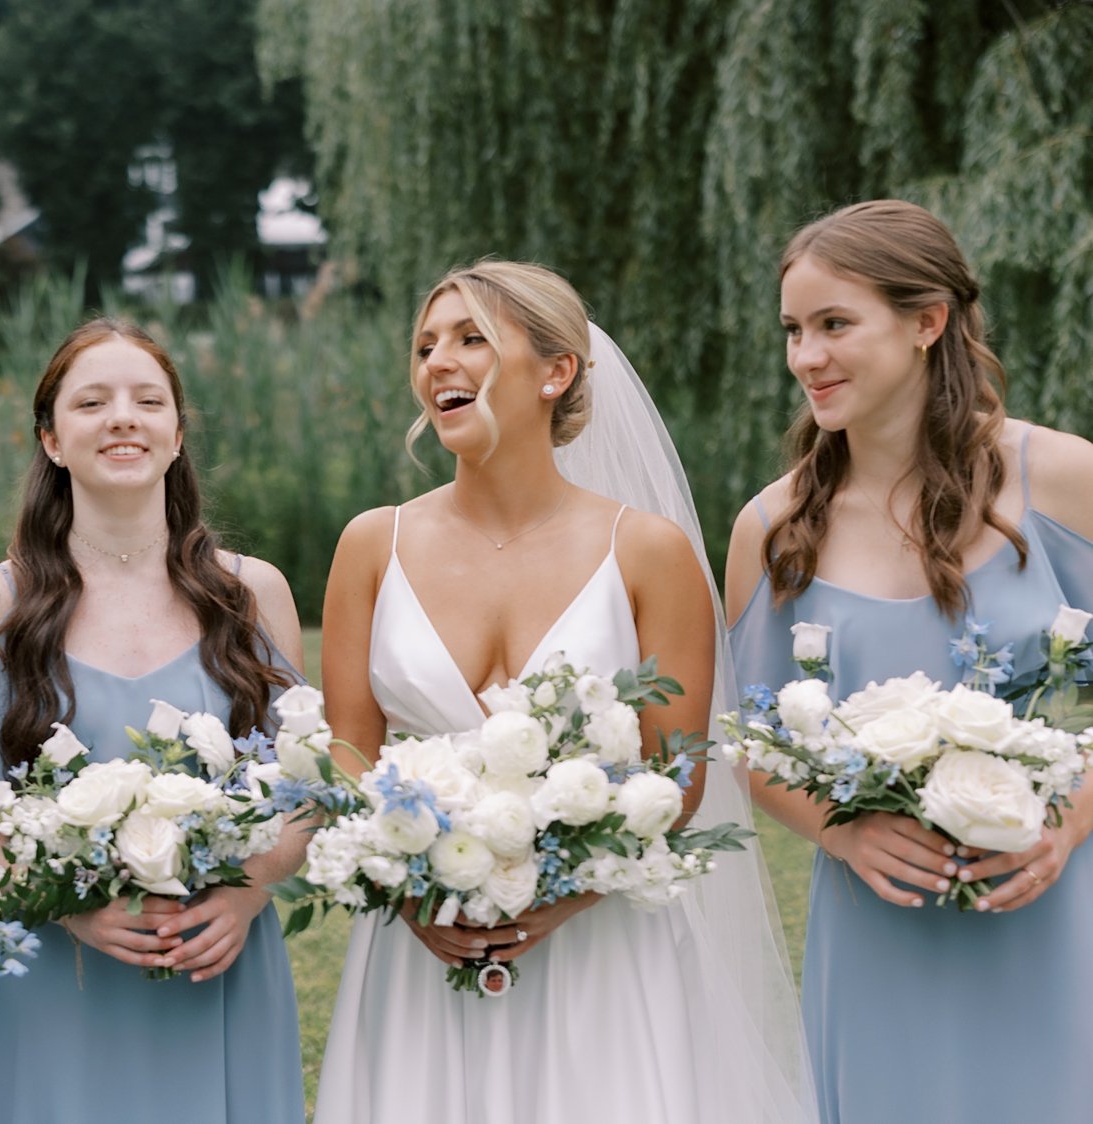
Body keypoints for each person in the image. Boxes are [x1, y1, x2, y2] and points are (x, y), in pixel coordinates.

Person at [315, 261, 814, 1123]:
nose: (439, 361)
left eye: (472, 339)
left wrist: (559, 896)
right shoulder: (372, 544)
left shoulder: (647, 551)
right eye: (426, 345)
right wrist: (412, 890)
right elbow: (349, 751)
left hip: (599, 944)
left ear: (557, 373)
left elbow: (677, 775)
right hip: (420, 945)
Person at [727, 198, 1093, 1123]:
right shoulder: (771, 529)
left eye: (834, 325)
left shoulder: (1062, 478)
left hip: (1054, 907)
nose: (806, 357)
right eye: (794, 331)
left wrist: (1068, 826)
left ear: (927, 322)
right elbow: (749, 742)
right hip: (877, 924)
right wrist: (841, 831)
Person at [0, 317, 306, 1123]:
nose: (123, 418)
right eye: (91, 402)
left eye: (148, 400)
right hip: (61, 984)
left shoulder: (253, 596)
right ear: (52, 439)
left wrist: (246, 895)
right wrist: (67, 906)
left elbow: (306, 794)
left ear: (176, 435)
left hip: (222, 967)